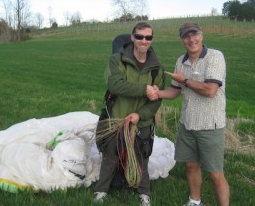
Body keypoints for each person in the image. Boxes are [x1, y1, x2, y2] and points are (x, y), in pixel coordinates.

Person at [147, 22, 229, 206]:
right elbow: (175, 90)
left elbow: (210, 90)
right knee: (191, 166)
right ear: (182, 40)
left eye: (195, 35)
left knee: (215, 173)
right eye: (186, 36)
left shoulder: (215, 57)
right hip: (188, 124)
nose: (191, 40)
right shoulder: (181, 62)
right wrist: (158, 93)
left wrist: (185, 80)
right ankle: (195, 201)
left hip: (210, 125)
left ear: (202, 35)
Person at [94, 22, 165, 206]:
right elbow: (115, 85)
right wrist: (145, 89)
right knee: (110, 155)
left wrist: (140, 115)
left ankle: (144, 193)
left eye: (148, 37)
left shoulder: (156, 68)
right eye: (140, 36)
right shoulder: (117, 60)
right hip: (117, 118)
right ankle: (101, 191)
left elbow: (156, 99)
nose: (144, 40)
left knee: (141, 156)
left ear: (152, 40)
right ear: (132, 37)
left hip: (141, 122)